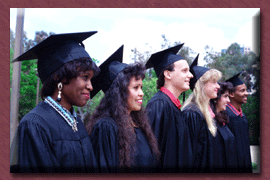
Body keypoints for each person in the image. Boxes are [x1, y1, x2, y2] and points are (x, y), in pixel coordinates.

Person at [13, 31, 99, 173]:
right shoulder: (35, 125)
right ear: (60, 78)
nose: (91, 86)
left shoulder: (76, 122)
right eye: (85, 77)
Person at [86, 45, 159, 173]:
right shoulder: (106, 127)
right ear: (119, 93)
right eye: (136, 88)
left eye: (141, 87)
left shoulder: (139, 125)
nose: (141, 93)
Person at [145, 44, 194, 172]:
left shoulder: (172, 105)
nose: (191, 75)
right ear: (168, 74)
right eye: (184, 71)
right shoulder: (158, 105)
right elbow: (150, 156)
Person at [181, 56, 222, 172]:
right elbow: (190, 156)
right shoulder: (191, 113)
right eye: (213, 82)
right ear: (201, 85)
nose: (218, 86)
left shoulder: (204, 111)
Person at [225, 72, 252, 173]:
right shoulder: (226, 116)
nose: (247, 93)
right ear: (231, 94)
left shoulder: (242, 115)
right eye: (242, 91)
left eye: (246, 90)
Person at [209, 81, 238, 172]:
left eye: (228, 97)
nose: (228, 101)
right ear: (215, 98)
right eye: (225, 96)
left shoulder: (223, 120)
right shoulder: (209, 123)